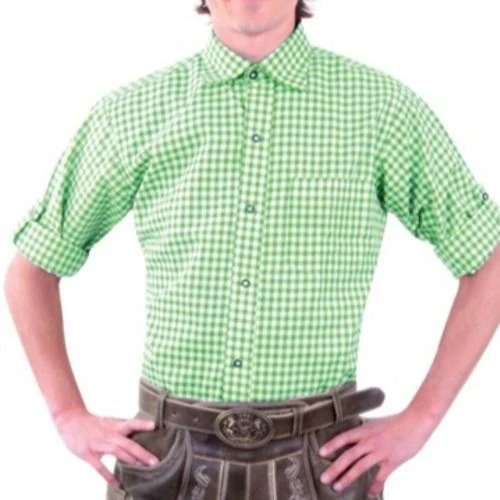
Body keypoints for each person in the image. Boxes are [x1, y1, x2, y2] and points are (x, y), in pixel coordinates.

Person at [5, 1, 500, 499]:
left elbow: (489, 260)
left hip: (322, 466)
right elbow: (33, 270)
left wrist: (422, 419)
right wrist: (66, 414)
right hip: (166, 462)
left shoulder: (381, 109)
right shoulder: (133, 113)